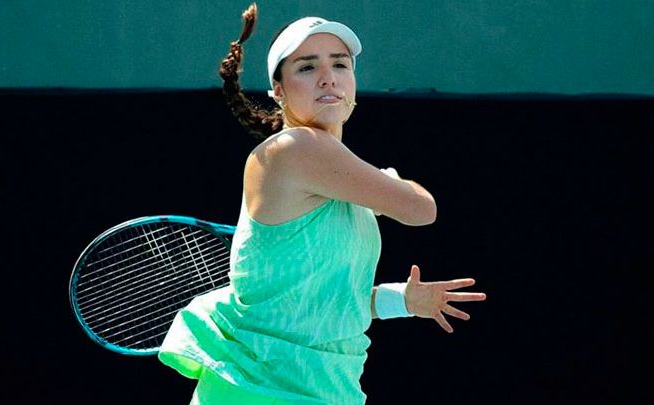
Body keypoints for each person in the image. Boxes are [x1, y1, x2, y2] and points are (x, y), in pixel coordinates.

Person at [158, 4, 486, 404]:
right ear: (278, 90)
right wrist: (389, 181)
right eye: (307, 67)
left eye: (340, 64)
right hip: (259, 393)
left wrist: (401, 300)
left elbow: (317, 305)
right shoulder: (296, 148)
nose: (328, 77)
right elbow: (421, 209)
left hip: (325, 391)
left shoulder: (342, 184)